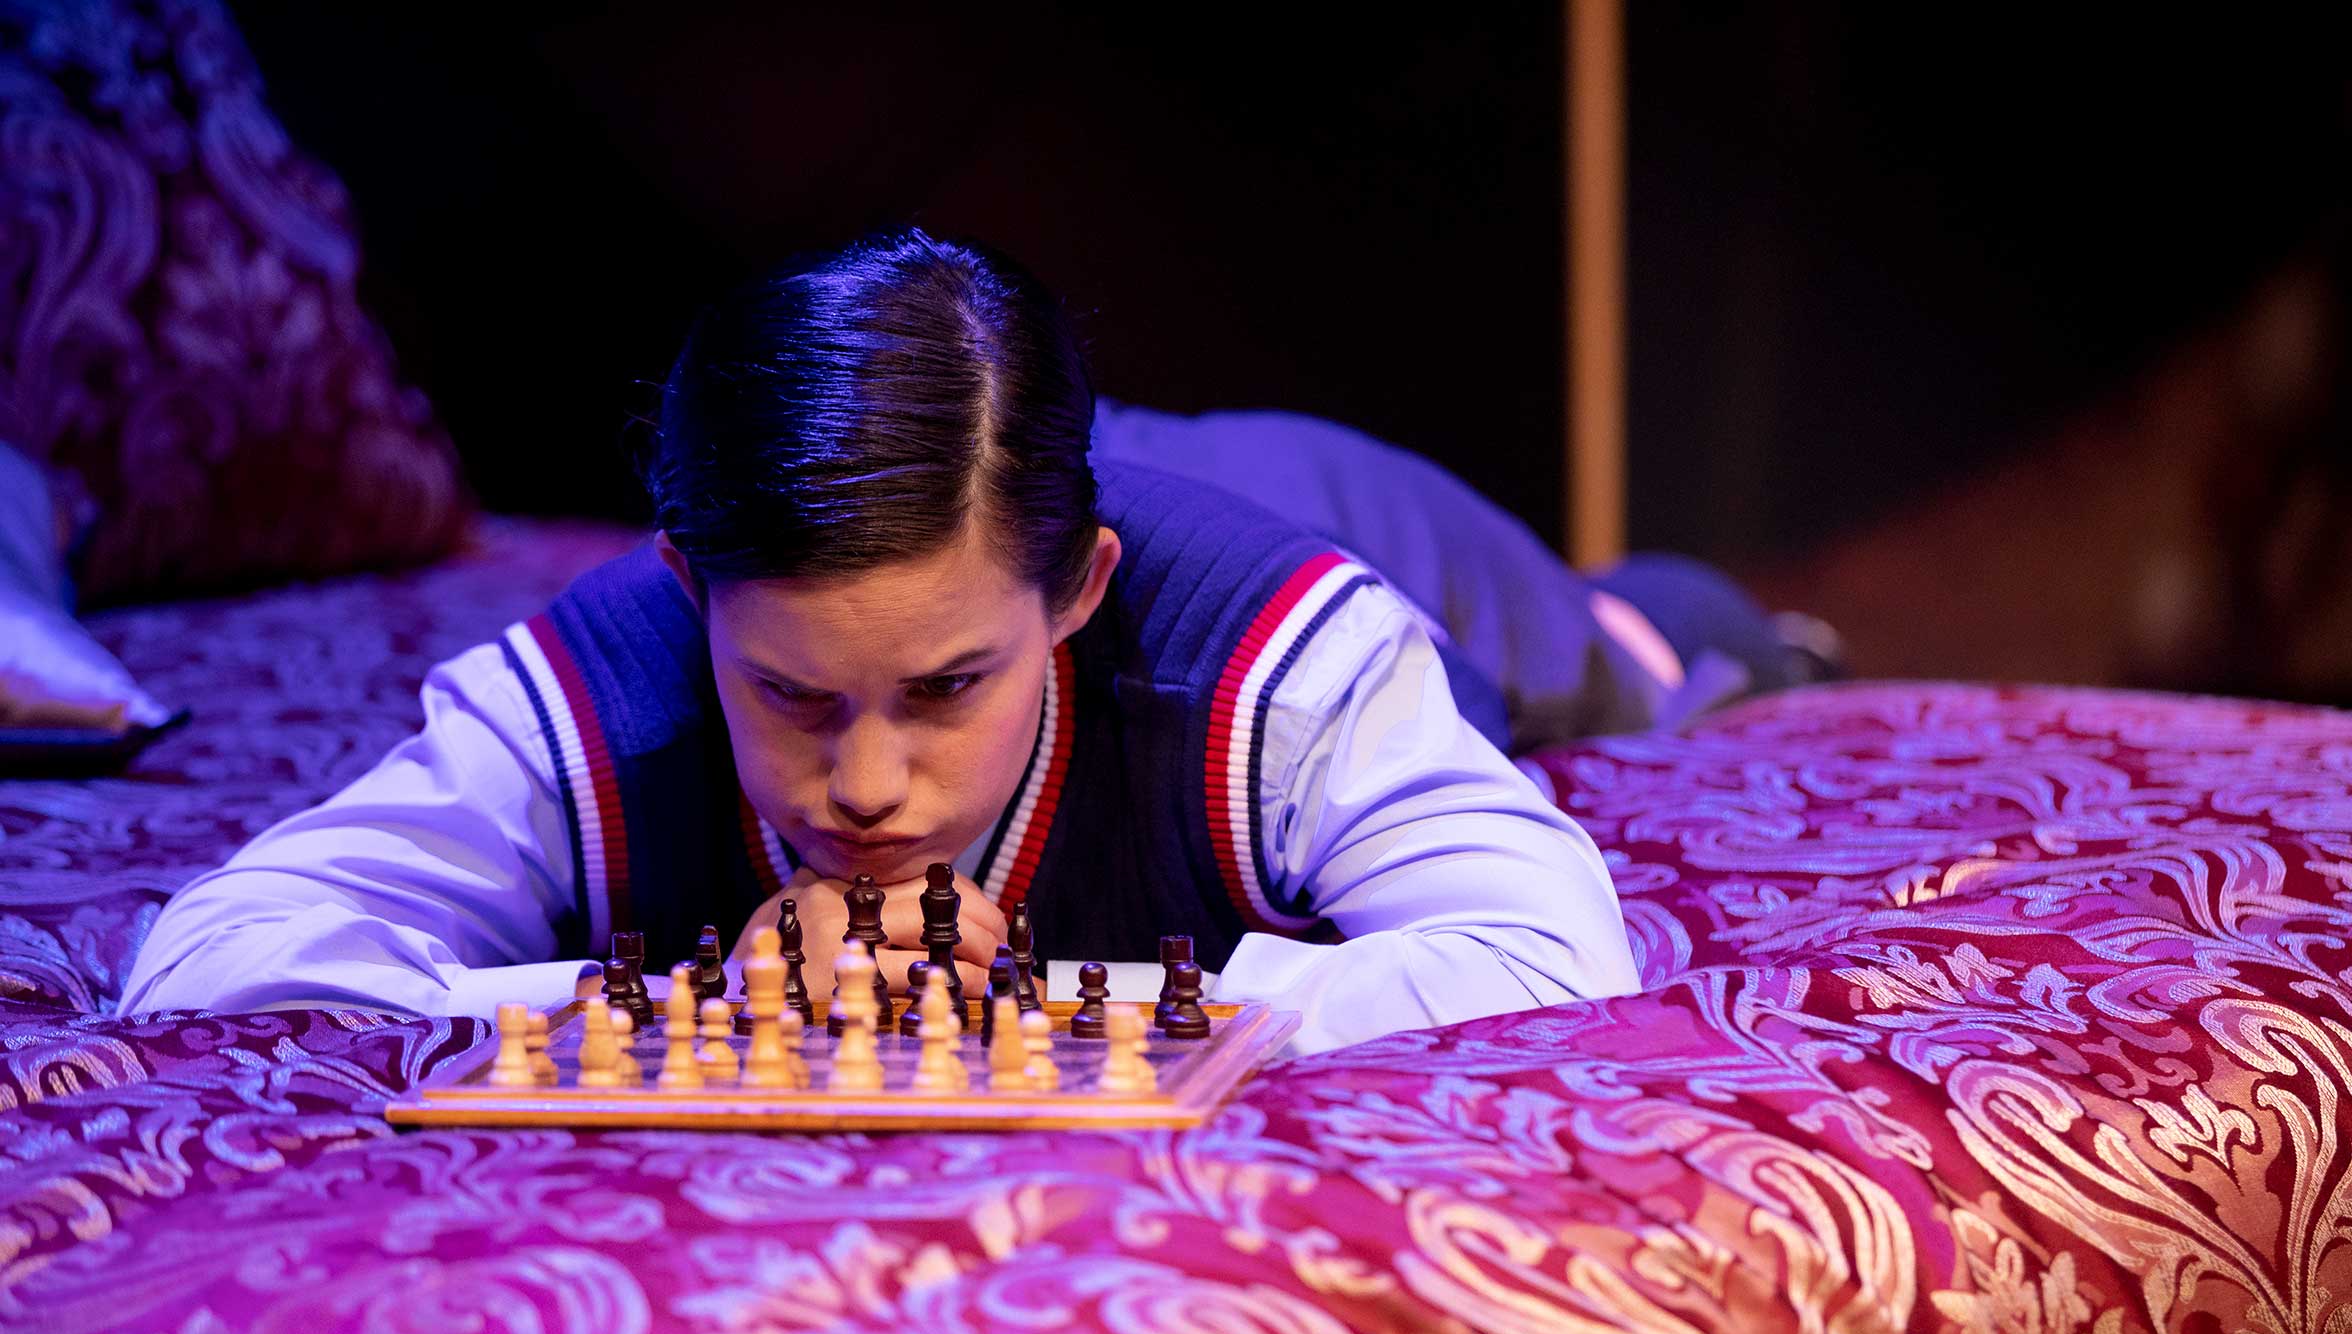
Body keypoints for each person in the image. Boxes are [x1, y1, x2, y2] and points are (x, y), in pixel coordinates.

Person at [118, 230, 1796, 1052]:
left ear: (1075, 597)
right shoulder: (598, 685)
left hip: (1322, 505)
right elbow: (206, 964)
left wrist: (1029, 1004)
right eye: (787, 692)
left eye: (944, 689)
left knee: (1632, 656)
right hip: (1027, 496)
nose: (861, 785)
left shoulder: (1288, 655)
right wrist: (697, 1003)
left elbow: (1550, 954)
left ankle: (1719, 619)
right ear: (695, 592)